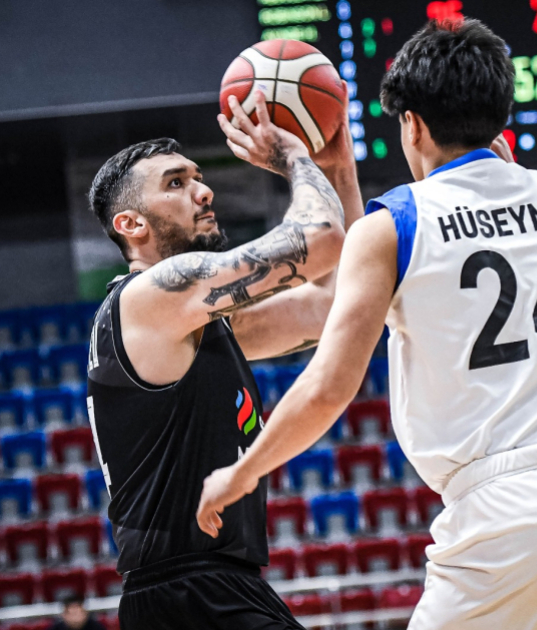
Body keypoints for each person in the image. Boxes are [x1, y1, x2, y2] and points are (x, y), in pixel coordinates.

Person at [197, 19, 537, 630]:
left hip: (500, 511)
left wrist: (243, 471)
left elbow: (329, 385)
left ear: (413, 125)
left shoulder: (395, 223)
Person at [85, 88, 363, 630]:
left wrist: (340, 170)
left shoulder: (193, 321)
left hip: (211, 588)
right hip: (188, 592)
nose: (204, 190)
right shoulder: (149, 296)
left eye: (197, 177)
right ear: (131, 224)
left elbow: (332, 305)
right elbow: (321, 239)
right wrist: (294, 158)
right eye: (176, 183)